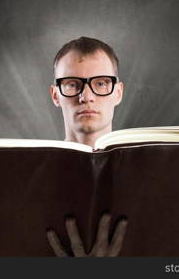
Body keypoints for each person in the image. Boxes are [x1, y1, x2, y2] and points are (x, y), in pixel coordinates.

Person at [46, 37, 128, 257]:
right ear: (56, 95)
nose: (87, 96)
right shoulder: (31, 175)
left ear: (118, 92)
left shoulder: (148, 171)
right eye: (72, 84)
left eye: (101, 83)